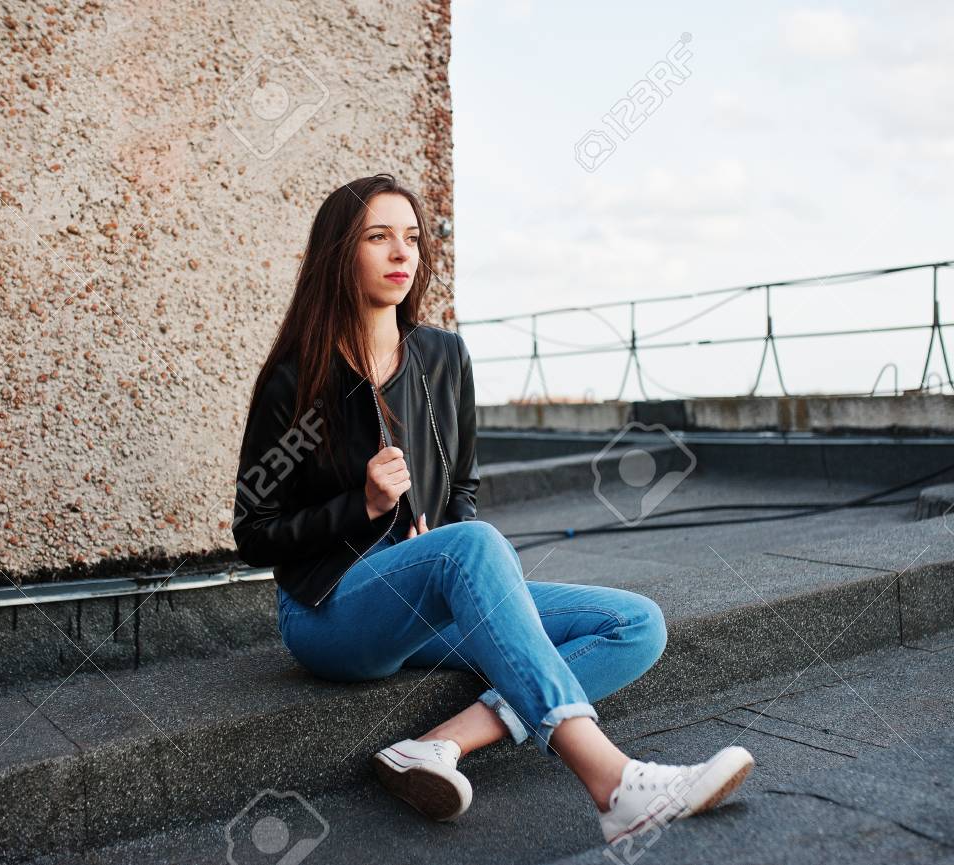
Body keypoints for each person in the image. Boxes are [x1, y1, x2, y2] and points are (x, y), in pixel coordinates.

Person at [231, 173, 753, 843]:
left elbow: (463, 491)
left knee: (635, 623)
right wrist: (360, 506)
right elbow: (253, 532)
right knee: (474, 546)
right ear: (340, 253)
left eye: (412, 239)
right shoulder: (295, 379)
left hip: (427, 595)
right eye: (378, 237)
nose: (402, 254)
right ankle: (614, 782)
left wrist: (437, 542)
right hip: (328, 610)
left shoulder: (443, 358)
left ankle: (438, 743)